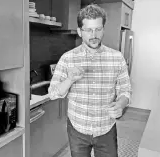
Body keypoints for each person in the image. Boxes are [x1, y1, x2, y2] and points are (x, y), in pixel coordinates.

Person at [48, 4, 131, 157]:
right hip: (77, 129)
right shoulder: (67, 58)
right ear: (80, 31)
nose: (94, 35)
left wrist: (121, 104)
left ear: (103, 29)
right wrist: (69, 79)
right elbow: (53, 93)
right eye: (88, 30)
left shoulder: (117, 58)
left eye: (98, 29)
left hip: (106, 128)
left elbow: (125, 91)